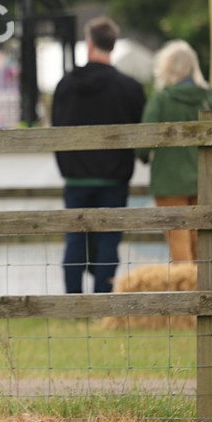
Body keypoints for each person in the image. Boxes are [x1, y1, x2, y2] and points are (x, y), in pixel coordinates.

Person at [51, 17, 145, 293]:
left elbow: (55, 128)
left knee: (75, 240)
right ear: (112, 45)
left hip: (76, 178)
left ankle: (72, 302)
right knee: (108, 241)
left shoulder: (66, 85)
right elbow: (140, 130)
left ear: (89, 44)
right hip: (113, 178)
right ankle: (104, 305)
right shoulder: (129, 88)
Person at [137, 41, 212, 262]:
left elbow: (143, 143)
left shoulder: (161, 100)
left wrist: (143, 156)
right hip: (205, 182)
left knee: (179, 245)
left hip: (169, 182)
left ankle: (184, 292)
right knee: (204, 245)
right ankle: (206, 293)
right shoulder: (208, 99)